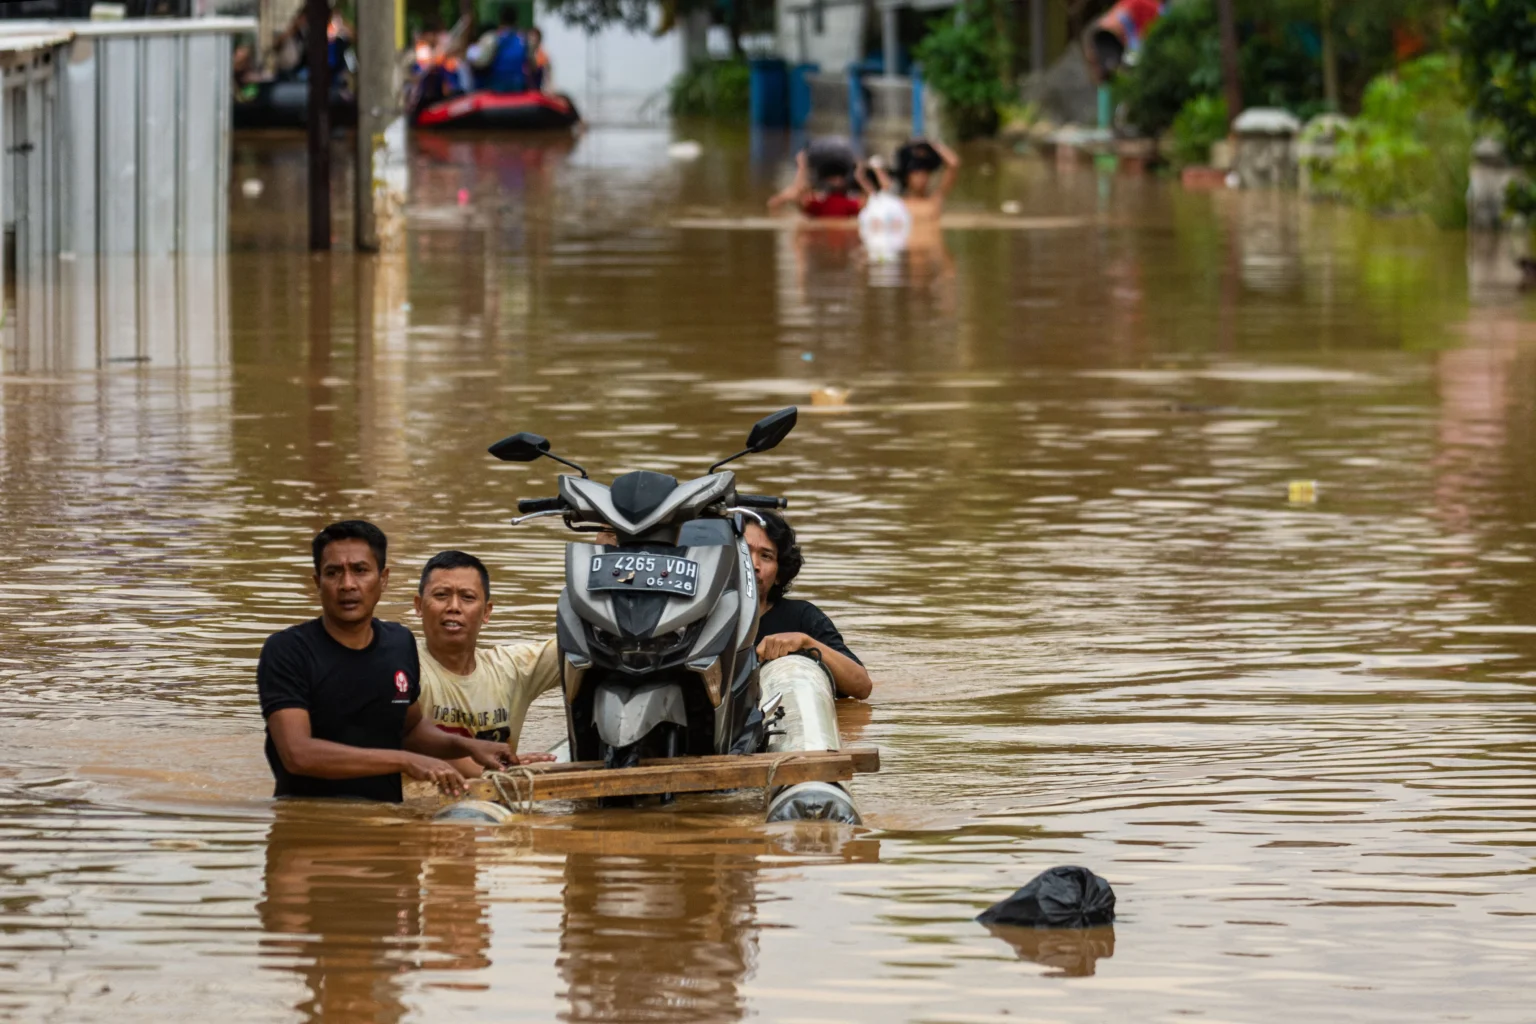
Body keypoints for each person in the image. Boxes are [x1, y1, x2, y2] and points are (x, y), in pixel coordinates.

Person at [257, 520, 545, 803]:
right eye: (333, 573)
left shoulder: (398, 643)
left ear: (383, 579)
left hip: (389, 824)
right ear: (317, 583)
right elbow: (298, 755)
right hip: (310, 824)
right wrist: (405, 761)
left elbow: (410, 730)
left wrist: (469, 745)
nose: (347, 584)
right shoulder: (287, 651)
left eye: (360, 570)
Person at [413, 550, 562, 777]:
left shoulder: (512, 669)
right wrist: (499, 773)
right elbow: (406, 739)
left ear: (487, 612)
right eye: (441, 595)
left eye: (468, 598)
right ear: (418, 606)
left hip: (493, 796)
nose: (454, 606)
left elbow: (581, 644)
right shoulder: (403, 666)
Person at [745, 511, 873, 700]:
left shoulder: (801, 617)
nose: (753, 564)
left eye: (766, 556)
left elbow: (862, 686)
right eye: (745, 551)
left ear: (780, 574)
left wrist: (806, 643)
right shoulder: (700, 615)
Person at [768, 149, 867, 219]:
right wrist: (802, 169)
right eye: (833, 178)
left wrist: (860, 176)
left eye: (839, 178)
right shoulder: (818, 204)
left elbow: (870, 201)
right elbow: (795, 196)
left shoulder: (850, 204)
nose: (837, 181)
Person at [892, 139, 961, 222]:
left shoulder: (934, 200)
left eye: (925, 173)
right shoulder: (899, 204)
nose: (921, 178)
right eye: (916, 174)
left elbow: (953, 163)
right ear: (907, 177)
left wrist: (932, 145)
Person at [468, 4, 528, 94]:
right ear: (516, 19)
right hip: (518, 85)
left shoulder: (493, 38)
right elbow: (531, 64)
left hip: (497, 86)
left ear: (501, 19)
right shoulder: (523, 39)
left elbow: (480, 62)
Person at [526, 25, 551, 93]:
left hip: (537, 89)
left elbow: (547, 75)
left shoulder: (543, 56)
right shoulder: (523, 53)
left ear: (539, 40)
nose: (531, 40)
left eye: (534, 37)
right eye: (529, 37)